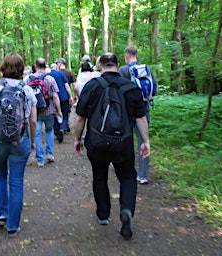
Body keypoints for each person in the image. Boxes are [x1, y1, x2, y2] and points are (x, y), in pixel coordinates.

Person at [74, 53, 150, 240]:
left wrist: (78, 139)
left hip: (97, 142)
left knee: (99, 176)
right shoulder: (131, 87)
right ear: (117, 65)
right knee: (128, 176)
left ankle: (103, 214)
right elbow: (141, 118)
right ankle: (126, 210)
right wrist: (145, 141)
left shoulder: (91, 86)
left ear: (100, 66)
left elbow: (80, 117)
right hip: (122, 143)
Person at [0, 53, 37, 237]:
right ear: (22, 69)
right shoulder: (27, 90)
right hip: (20, 141)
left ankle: (1, 214)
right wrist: (32, 141)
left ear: (2, 67)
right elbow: (33, 120)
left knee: (0, 175)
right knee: (17, 182)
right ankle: (13, 226)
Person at [119, 46, 157, 185]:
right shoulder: (146, 69)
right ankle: (143, 175)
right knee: (144, 141)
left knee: (124, 140)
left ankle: (125, 169)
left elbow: (118, 91)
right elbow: (155, 89)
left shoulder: (123, 70)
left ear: (126, 56)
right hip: (144, 109)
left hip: (126, 112)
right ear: (137, 55)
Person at [25, 58, 62, 167]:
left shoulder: (28, 79)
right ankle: (49, 154)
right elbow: (55, 96)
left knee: (37, 135)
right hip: (49, 110)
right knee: (49, 131)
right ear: (45, 66)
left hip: (35, 111)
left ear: (35, 66)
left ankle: (40, 159)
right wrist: (59, 111)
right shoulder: (50, 79)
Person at [48, 62, 73, 143]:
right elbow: (67, 86)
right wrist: (70, 96)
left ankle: (58, 132)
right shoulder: (61, 74)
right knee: (65, 113)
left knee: (55, 114)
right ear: (56, 68)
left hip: (52, 99)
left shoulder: (47, 76)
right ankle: (63, 127)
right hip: (63, 97)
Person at [55, 58, 76, 133]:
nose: (57, 64)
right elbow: (74, 85)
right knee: (66, 111)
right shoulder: (70, 73)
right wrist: (74, 95)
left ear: (60, 63)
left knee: (58, 111)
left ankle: (60, 126)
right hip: (66, 95)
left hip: (56, 95)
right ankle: (64, 126)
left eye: (57, 63)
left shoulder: (56, 73)